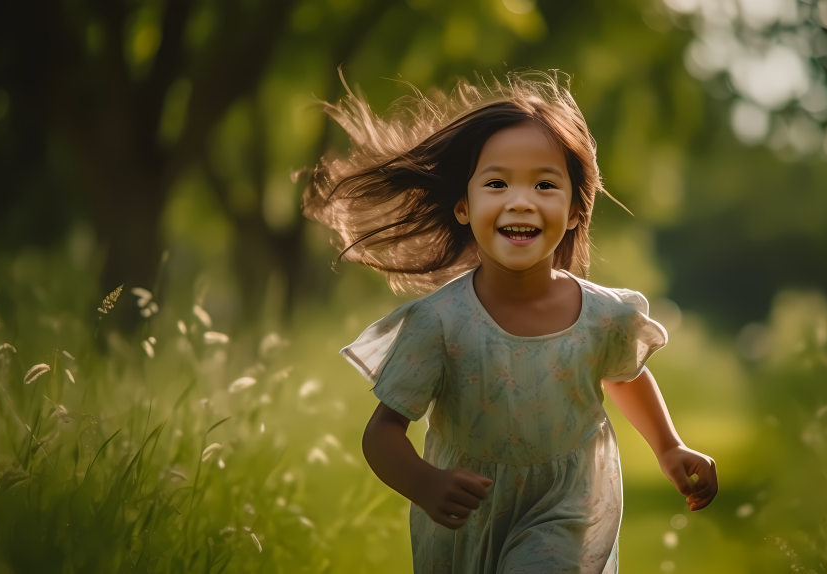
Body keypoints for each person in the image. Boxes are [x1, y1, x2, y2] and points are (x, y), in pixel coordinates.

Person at [303, 70, 718, 573]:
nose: (521, 199)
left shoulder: (602, 315)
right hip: (463, 519)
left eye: (545, 184)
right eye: (497, 183)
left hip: (569, 503)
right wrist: (424, 482)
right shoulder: (440, 323)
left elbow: (625, 374)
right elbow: (384, 431)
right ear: (464, 205)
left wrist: (669, 447)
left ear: (571, 212)